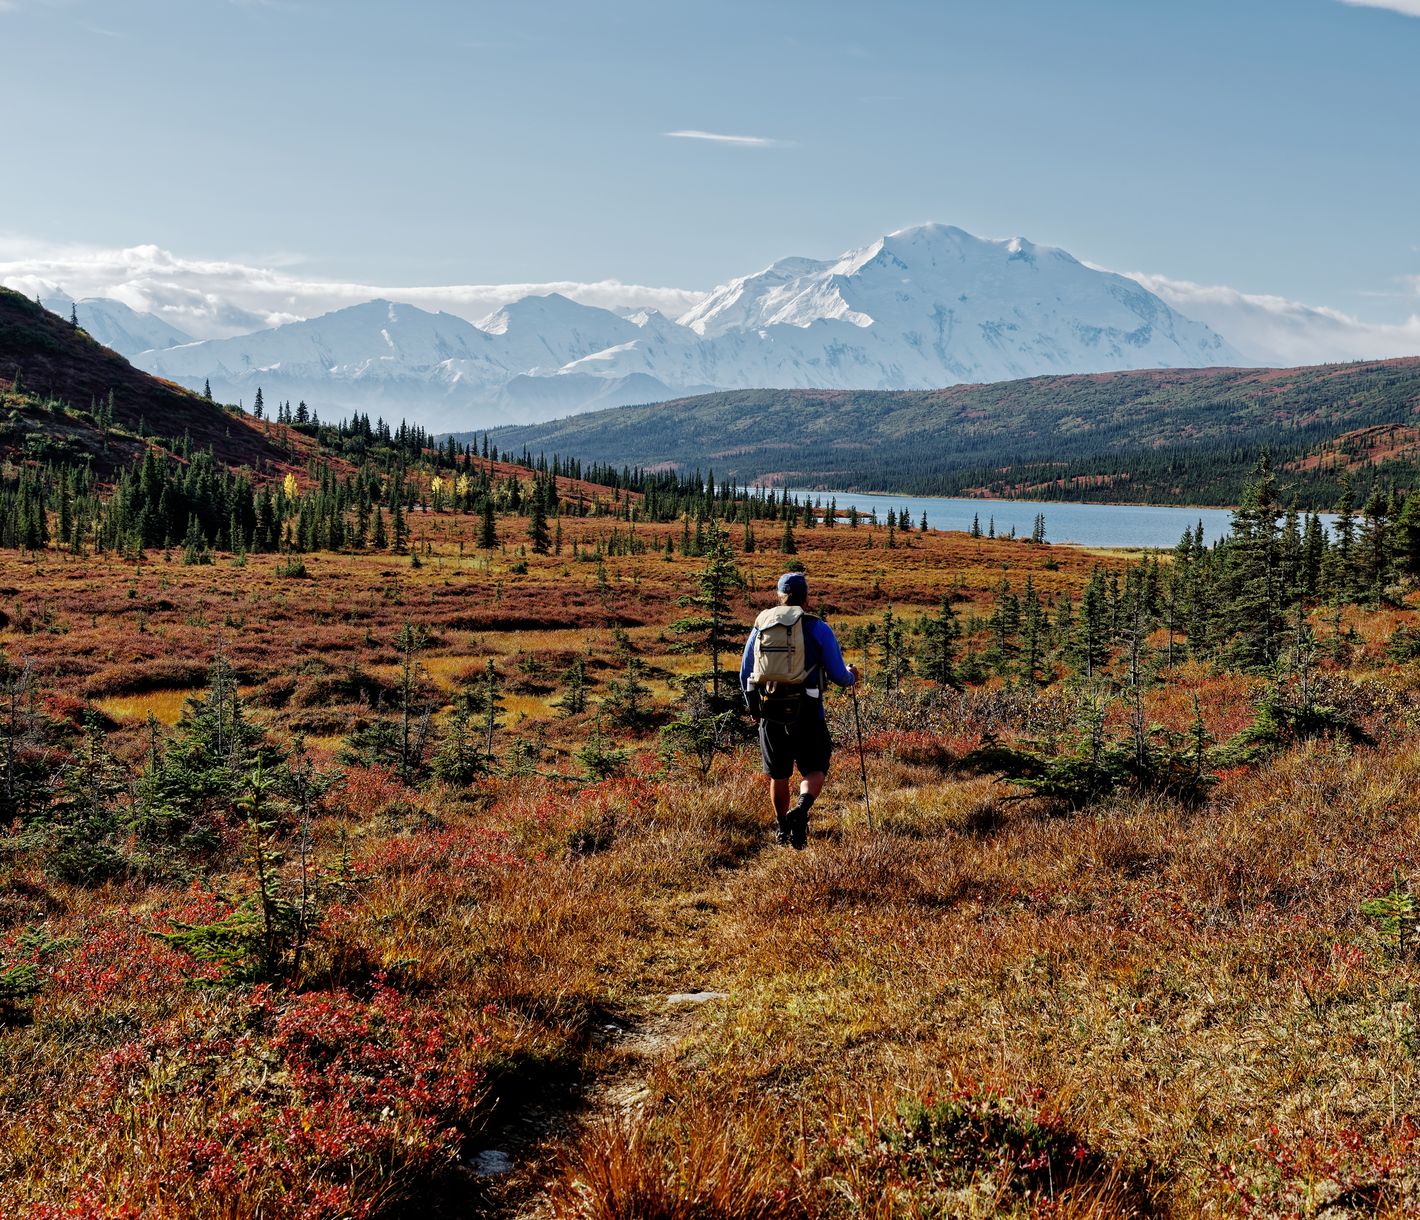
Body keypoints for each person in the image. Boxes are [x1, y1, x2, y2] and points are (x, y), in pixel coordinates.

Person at [740, 572, 858, 848]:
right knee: (815, 769)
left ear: (779, 596)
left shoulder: (761, 626)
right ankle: (801, 811)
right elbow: (840, 676)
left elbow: (746, 671)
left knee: (778, 775)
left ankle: (783, 829)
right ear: (806, 597)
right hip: (808, 712)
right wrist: (852, 675)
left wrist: (753, 707)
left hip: (770, 712)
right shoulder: (818, 628)